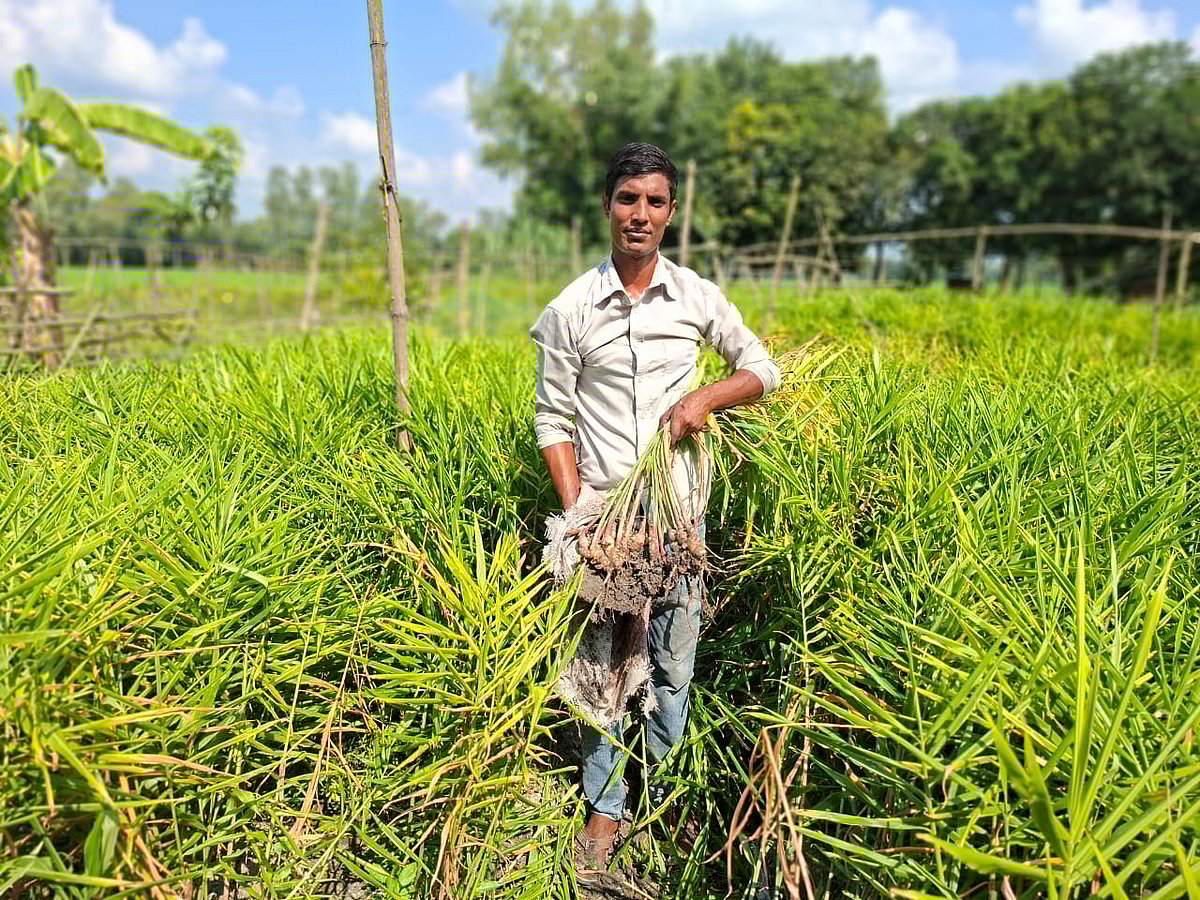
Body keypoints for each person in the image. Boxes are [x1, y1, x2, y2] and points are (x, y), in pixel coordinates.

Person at [529, 142, 779, 876]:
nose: (641, 214)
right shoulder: (570, 309)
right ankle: (605, 807)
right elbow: (553, 422)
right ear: (607, 206)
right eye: (628, 199)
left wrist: (704, 397)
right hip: (607, 521)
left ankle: (665, 795)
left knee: (673, 661)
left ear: (672, 212)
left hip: (678, 516)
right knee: (601, 667)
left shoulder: (694, 296)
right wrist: (579, 518)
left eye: (655, 201)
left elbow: (763, 366)